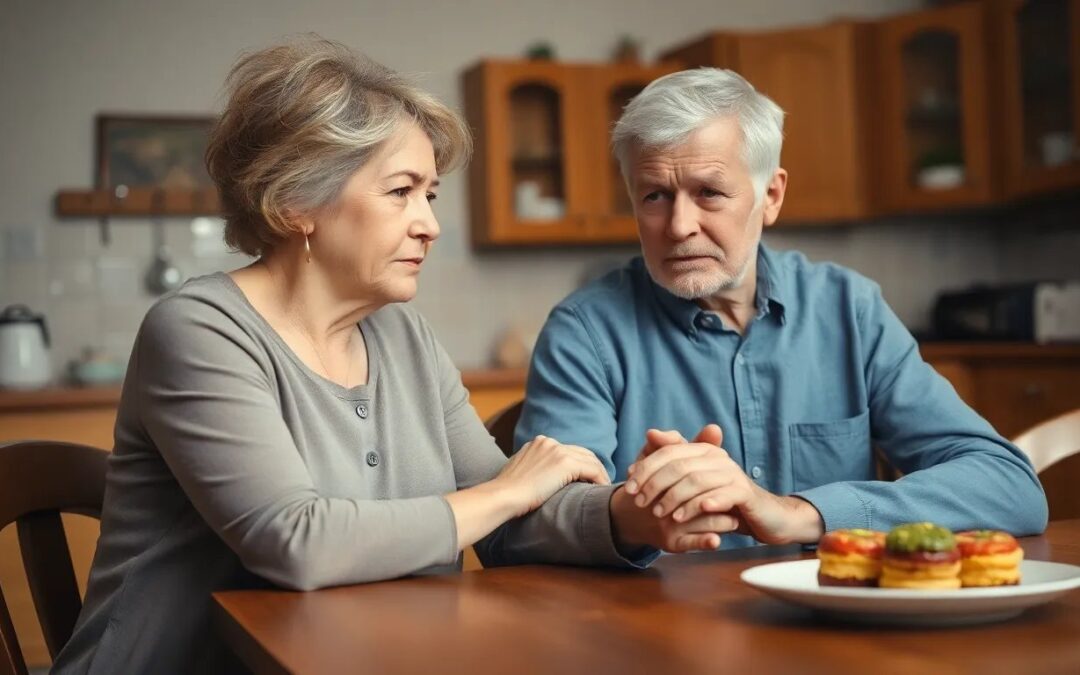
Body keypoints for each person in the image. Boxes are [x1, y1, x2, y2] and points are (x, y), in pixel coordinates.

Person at [53, 38, 651, 675]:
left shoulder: (406, 338)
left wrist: (633, 514)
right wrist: (507, 492)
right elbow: (297, 543)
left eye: (431, 195)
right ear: (295, 203)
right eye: (401, 192)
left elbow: (508, 519)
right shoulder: (198, 331)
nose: (430, 224)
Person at [515, 67, 1048, 554]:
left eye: (709, 193)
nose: (678, 226)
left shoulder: (849, 310)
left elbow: (1010, 487)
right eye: (655, 195)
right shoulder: (584, 330)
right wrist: (629, 516)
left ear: (770, 195)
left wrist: (800, 513)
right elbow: (526, 527)